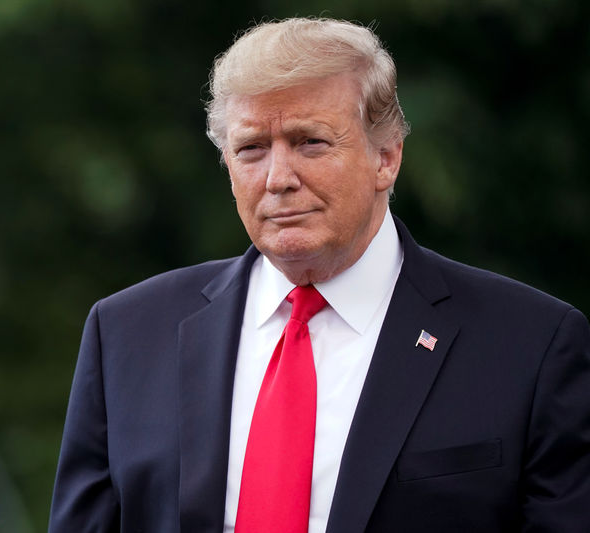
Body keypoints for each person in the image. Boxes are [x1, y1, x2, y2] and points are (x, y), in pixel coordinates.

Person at [49, 17, 590, 533]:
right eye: (251, 149)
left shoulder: (531, 345)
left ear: (387, 158)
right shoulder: (126, 333)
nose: (278, 178)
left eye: (311, 141)